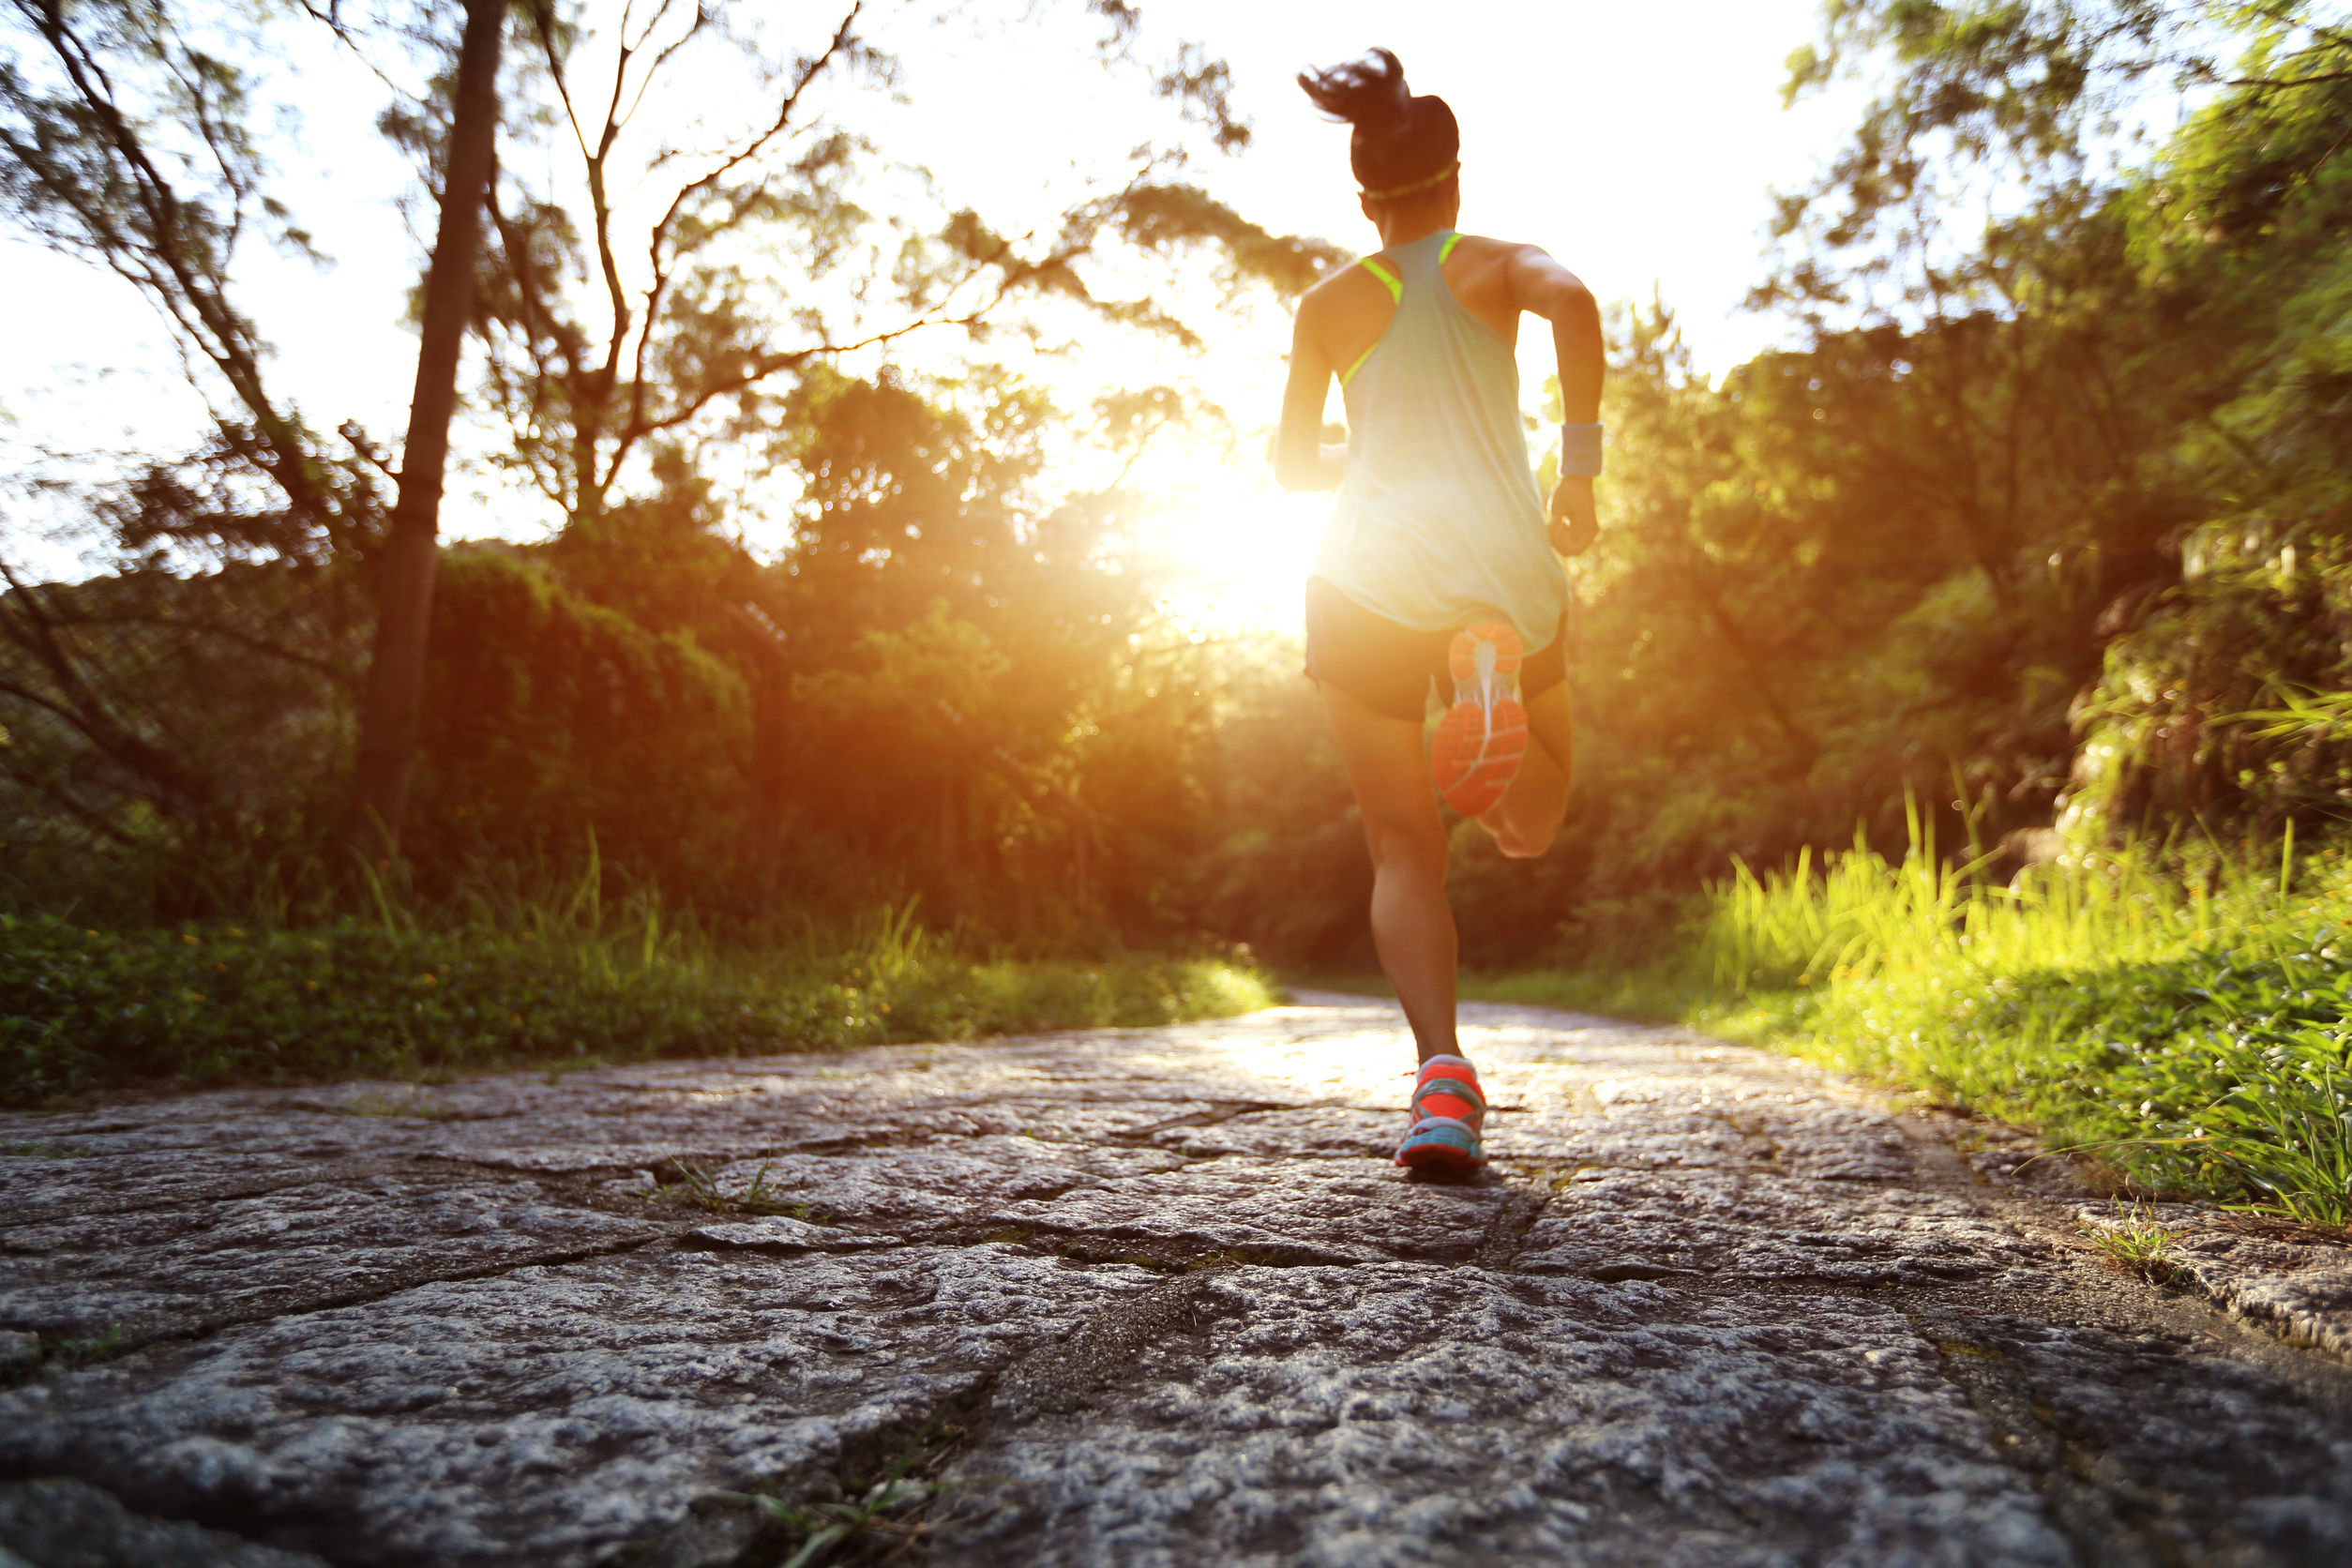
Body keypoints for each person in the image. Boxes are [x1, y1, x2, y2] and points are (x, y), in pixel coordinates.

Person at [1276, 47, 1603, 1176]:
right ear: (1454, 184)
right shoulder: (1501, 263)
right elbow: (1578, 304)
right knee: (1528, 825)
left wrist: (1371, 456)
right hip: (1500, 572)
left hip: (1363, 579)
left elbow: (1287, 468)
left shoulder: (1325, 307)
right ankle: (1491, 682)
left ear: (1365, 202)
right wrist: (1580, 474)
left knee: (1403, 847)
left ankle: (1442, 1080)